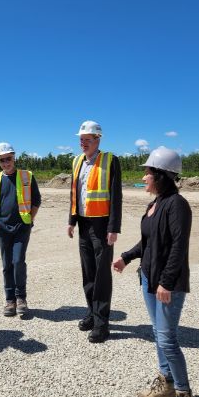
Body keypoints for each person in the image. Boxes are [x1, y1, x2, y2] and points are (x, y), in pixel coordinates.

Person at [113, 146, 197, 397]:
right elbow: (148, 242)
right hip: (149, 280)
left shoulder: (177, 204)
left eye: (148, 172)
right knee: (158, 335)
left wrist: (167, 281)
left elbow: (177, 246)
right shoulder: (156, 204)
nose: (144, 176)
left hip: (166, 285)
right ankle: (166, 384)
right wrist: (126, 256)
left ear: (161, 175)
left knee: (167, 339)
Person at [68, 120, 122, 343]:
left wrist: (113, 228)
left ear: (98, 139)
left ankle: (102, 324)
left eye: (87, 140)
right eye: (81, 140)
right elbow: (74, 193)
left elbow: (116, 196)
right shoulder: (76, 161)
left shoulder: (110, 160)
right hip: (83, 224)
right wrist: (71, 220)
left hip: (102, 226)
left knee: (101, 276)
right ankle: (92, 312)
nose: (83, 144)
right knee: (88, 273)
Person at [0, 142, 41, 317]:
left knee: (18, 262)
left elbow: (37, 200)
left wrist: (30, 219)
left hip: (22, 227)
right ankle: (10, 300)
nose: (6, 163)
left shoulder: (27, 176)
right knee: (6, 264)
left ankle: (21, 298)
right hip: (3, 228)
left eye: (8, 158)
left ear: (14, 157)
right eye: (2, 160)